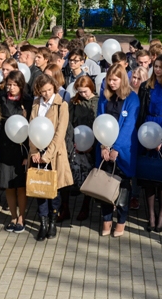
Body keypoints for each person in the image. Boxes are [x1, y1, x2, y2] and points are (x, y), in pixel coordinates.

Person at [96, 63, 140, 237]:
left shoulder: (132, 98)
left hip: (124, 149)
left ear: (122, 80)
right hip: (104, 148)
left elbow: (129, 126)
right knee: (105, 186)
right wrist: (103, 146)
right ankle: (106, 220)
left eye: (115, 80)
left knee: (123, 188)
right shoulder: (104, 96)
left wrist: (116, 148)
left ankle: (121, 222)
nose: (111, 83)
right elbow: (99, 120)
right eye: (109, 80)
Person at [29, 74, 73, 241]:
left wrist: (47, 155)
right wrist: (34, 151)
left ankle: (53, 222)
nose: (46, 94)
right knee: (40, 189)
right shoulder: (36, 103)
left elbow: (60, 133)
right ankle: (43, 223)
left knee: (53, 191)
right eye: (43, 91)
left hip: (54, 154)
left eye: (49, 90)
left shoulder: (61, 105)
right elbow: (31, 127)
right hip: (37, 153)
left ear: (54, 87)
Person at [136, 54, 162, 232]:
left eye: (160, 67)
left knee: (161, 175)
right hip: (147, 129)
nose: (157, 70)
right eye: (155, 66)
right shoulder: (146, 86)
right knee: (148, 173)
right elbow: (141, 112)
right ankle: (150, 215)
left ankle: (161, 214)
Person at [0, 70, 32, 232]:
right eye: (9, 84)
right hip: (4, 148)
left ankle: (22, 217)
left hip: (21, 149)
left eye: (15, 85)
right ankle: (13, 217)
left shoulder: (28, 101)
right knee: (8, 185)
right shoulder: (1, 99)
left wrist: (27, 154)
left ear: (21, 85)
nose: (11, 88)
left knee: (20, 186)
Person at [65, 76, 99, 222]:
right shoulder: (74, 102)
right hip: (76, 144)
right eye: (80, 92)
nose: (83, 94)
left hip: (93, 145)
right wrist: (73, 142)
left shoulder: (98, 102)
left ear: (91, 88)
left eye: (85, 91)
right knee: (70, 175)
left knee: (89, 177)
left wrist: (92, 145)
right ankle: (65, 208)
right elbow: (69, 124)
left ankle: (85, 207)